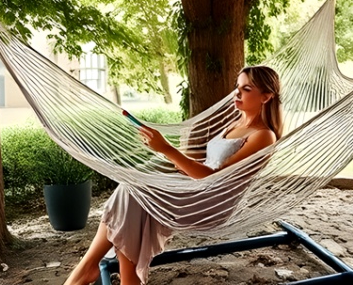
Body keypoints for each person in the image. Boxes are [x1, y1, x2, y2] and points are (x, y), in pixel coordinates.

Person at [64, 66, 283, 285]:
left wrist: (167, 149)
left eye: (245, 88)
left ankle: (95, 269)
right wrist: (169, 157)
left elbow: (213, 177)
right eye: (237, 87)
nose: (236, 93)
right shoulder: (235, 124)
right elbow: (207, 163)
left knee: (134, 192)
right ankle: (117, 275)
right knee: (135, 187)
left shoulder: (263, 136)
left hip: (213, 201)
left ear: (266, 96)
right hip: (196, 188)